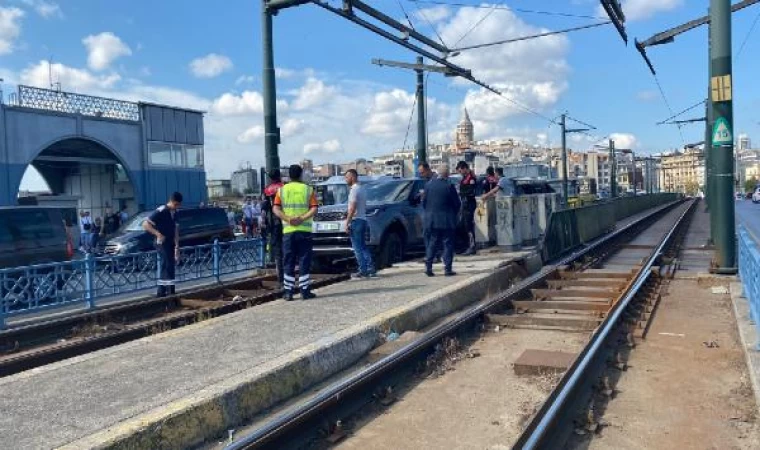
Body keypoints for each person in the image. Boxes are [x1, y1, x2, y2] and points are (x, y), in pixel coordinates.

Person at [273, 165, 319, 301]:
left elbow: (275, 209)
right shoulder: (308, 190)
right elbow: (314, 208)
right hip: (304, 230)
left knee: (289, 260)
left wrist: (288, 219)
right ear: (300, 175)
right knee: (304, 259)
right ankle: (305, 291)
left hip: (288, 231)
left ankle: (288, 292)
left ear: (289, 175)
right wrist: (301, 219)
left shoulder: (281, 190)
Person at [143, 192, 183, 298]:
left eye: (178, 205)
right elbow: (145, 224)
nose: (177, 207)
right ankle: (168, 292)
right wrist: (157, 234)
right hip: (161, 242)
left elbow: (176, 230)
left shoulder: (175, 213)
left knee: (169, 264)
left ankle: (164, 291)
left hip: (170, 242)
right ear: (172, 202)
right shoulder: (161, 210)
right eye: (176, 205)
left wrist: (177, 246)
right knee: (167, 263)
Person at [423, 165, 460, 277]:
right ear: (447, 174)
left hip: (432, 220)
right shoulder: (449, 186)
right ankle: (447, 269)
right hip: (447, 220)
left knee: (432, 243)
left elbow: (424, 203)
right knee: (447, 244)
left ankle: (428, 267)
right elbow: (457, 204)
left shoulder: (428, 185)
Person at [345, 169, 376, 279]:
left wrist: (347, 222)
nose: (346, 180)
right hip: (363, 220)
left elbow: (352, 207)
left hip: (356, 220)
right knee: (363, 246)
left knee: (357, 247)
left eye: (347, 177)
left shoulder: (354, 190)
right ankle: (370, 268)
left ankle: (363, 270)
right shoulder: (362, 189)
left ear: (353, 177)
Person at [262, 169, 285, 287]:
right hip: (287, 222)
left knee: (278, 253)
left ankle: (281, 279)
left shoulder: (267, 190)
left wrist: (264, 224)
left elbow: (264, 210)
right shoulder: (285, 187)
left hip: (274, 224)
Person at [456, 161, 477, 256]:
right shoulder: (464, 178)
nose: (460, 173)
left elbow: (471, 191)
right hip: (464, 204)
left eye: (460, 170)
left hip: (469, 204)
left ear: (464, 168)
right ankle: (464, 246)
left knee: (468, 225)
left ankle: (472, 247)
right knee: (461, 226)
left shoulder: (471, 178)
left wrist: (462, 193)